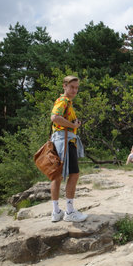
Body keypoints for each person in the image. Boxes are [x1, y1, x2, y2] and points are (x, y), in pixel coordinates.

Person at [50, 75, 87, 223]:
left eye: (77, 88)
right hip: (65, 141)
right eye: (71, 87)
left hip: (59, 140)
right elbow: (54, 117)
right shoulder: (64, 101)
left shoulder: (66, 102)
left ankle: (56, 211)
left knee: (56, 176)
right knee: (74, 174)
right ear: (64, 86)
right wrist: (73, 126)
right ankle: (70, 211)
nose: (74, 90)